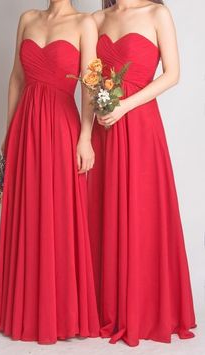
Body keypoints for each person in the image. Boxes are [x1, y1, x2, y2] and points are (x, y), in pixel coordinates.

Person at [0, 0, 99, 344]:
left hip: (62, 128)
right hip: (25, 129)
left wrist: (85, 137)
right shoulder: (27, 18)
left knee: (59, 216)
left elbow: (90, 85)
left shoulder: (85, 24)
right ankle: (23, 311)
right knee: (28, 213)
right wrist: (8, 134)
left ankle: (62, 314)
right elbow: (16, 78)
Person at [88, 0, 197, 346]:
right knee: (100, 210)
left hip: (140, 125)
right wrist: (96, 116)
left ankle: (144, 309)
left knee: (142, 211)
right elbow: (90, 80)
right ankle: (102, 308)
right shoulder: (96, 18)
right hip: (103, 127)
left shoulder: (156, 13)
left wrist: (125, 106)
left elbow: (173, 74)